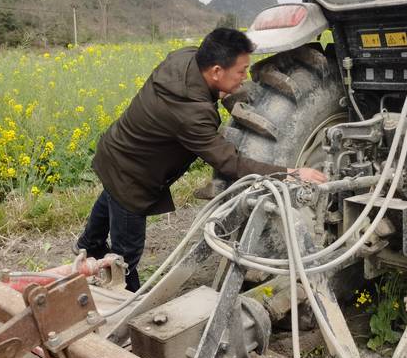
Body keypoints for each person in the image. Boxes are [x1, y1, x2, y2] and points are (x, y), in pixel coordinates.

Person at [74, 27, 327, 291]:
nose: (244, 78)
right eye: (241, 71)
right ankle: (122, 298)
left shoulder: (184, 58)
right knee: (126, 256)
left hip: (114, 151)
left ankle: (86, 247)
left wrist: (216, 91)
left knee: (109, 199)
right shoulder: (192, 115)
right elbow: (230, 163)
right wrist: (291, 173)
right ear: (216, 71)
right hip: (132, 178)